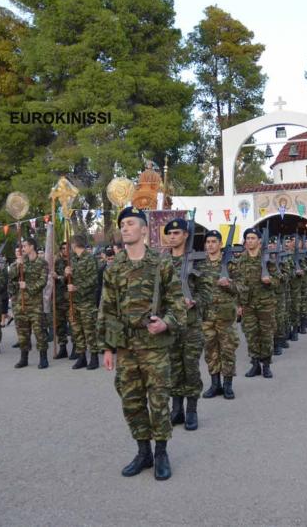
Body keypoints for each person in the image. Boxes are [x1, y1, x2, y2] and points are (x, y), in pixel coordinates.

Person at [96, 206, 186, 481]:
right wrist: (108, 348)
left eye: (131, 223)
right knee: (131, 402)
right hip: (126, 346)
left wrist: (167, 322)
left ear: (145, 229)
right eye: (122, 224)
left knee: (158, 401)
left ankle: (161, 453)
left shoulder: (161, 264)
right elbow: (107, 309)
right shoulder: (114, 268)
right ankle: (143, 451)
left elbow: (178, 303)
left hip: (155, 345)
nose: (125, 227)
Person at [164, 218, 209, 429]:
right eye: (170, 234)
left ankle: (191, 410)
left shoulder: (197, 261)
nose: (172, 237)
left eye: (177, 233)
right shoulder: (162, 261)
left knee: (190, 368)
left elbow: (206, 292)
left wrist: (195, 302)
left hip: (191, 325)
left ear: (185, 235)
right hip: (170, 326)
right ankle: (176, 409)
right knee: (174, 368)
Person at [198, 230, 239, 400]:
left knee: (227, 350)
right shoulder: (199, 265)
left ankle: (228, 385)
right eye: (208, 242)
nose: (210, 245)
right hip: (206, 316)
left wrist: (229, 285)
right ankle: (215, 384)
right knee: (211, 351)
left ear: (220, 244)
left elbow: (243, 288)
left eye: (214, 241)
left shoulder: (230, 264)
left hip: (225, 316)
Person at [237, 227, 278, 379]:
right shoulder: (240, 261)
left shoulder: (267, 260)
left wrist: (270, 281)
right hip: (247, 304)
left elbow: (280, 279)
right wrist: (238, 305)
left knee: (266, 335)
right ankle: (255, 364)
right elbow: (236, 284)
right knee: (251, 335)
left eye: (253, 238)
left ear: (259, 241)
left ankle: (266, 365)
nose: (250, 241)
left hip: (265, 304)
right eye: (247, 238)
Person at [8, 238, 49, 369]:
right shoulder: (21, 261)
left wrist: (28, 286)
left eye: (25, 246)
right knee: (22, 332)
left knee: (39, 332)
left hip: (35, 304)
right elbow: (12, 276)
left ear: (32, 247)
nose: (22, 248)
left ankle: (43, 358)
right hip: (21, 303)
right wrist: (17, 265)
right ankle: (23, 357)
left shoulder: (42, 263)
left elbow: (42, 282)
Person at [64, 234, 100, 370]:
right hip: (74, 302)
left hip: (86, 302)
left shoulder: (89, 259)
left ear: (74, 244)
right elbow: (68, 280)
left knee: (89, 330)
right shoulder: (72, 259)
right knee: (77, 331)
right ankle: (82, 357)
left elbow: (93, 280)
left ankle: (94, 357)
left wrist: (77, 287)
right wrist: (66, 274)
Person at [52, 242, 71, 360]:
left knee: (73, 325)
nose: (65, 250)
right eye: (63, 248)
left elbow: (69, 279)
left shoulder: (73, 262)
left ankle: (77, 349)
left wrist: (59, 277)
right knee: (60, 325)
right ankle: (62, 348)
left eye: (67, 248)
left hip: (70, 298)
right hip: (58, 298)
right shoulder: (56, 262)